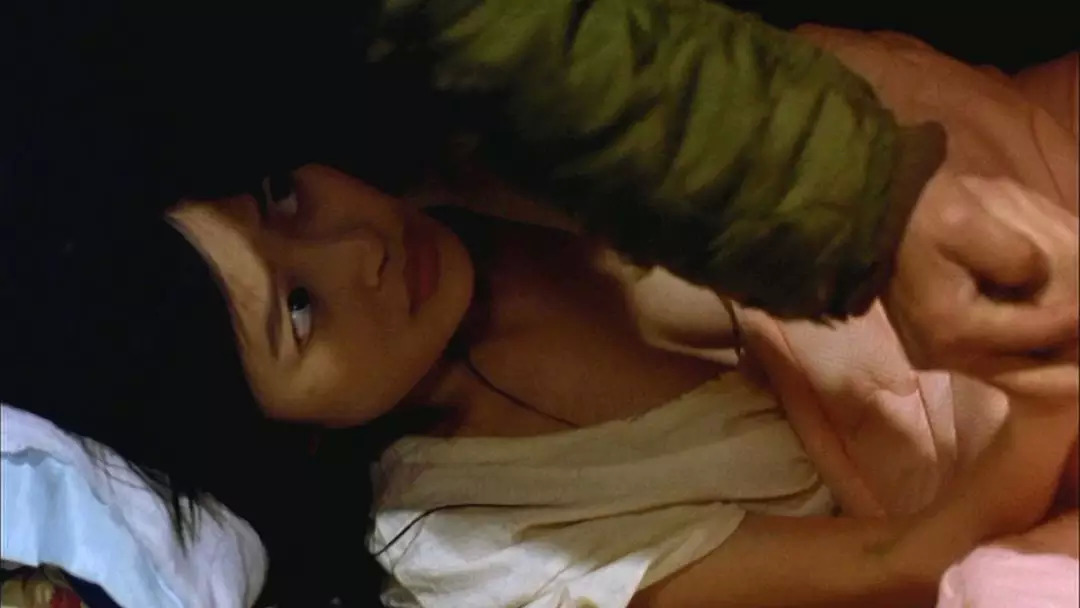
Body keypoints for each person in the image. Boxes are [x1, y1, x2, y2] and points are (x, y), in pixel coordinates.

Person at [5, 163, 1075, 607]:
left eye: (282, 197)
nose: (356, 250)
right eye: (298, 311)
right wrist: (1049, 379)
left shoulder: (486, 164)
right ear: (286, 430)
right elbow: (906, 563)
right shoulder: (478, 547)